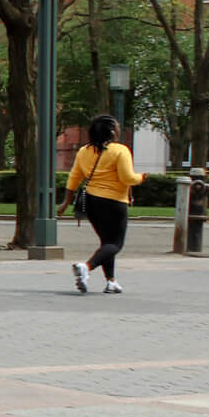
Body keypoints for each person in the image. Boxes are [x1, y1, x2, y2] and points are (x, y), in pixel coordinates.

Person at [63, 114, 142, 295]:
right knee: (116, 244)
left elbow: (74, 178)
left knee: (106, 242)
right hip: (114, 202)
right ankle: (86, 267)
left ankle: (111, 282)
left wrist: (65, 202)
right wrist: (142, 177)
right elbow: (127, 178)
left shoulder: (84, 151)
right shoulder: (120, 150)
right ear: (113, 131)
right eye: (118, 126)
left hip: (92, 202)